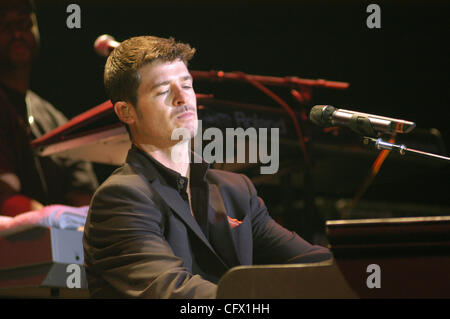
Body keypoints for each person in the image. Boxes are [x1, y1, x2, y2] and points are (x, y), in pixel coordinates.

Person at [83, 35, 332, 299]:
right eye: (164, 91)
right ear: (126, 112)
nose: (183, 98)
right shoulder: (121, 197)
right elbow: (175, 293)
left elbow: (309, 263)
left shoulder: (235, 190)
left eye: (187, 85)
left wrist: (362, 271)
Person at [0, 0, 98, 216]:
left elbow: (84, 198)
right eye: (5, 26)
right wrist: (55, 224)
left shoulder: (55, 120)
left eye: (24, 24)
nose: (17, 34)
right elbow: (5, 199)